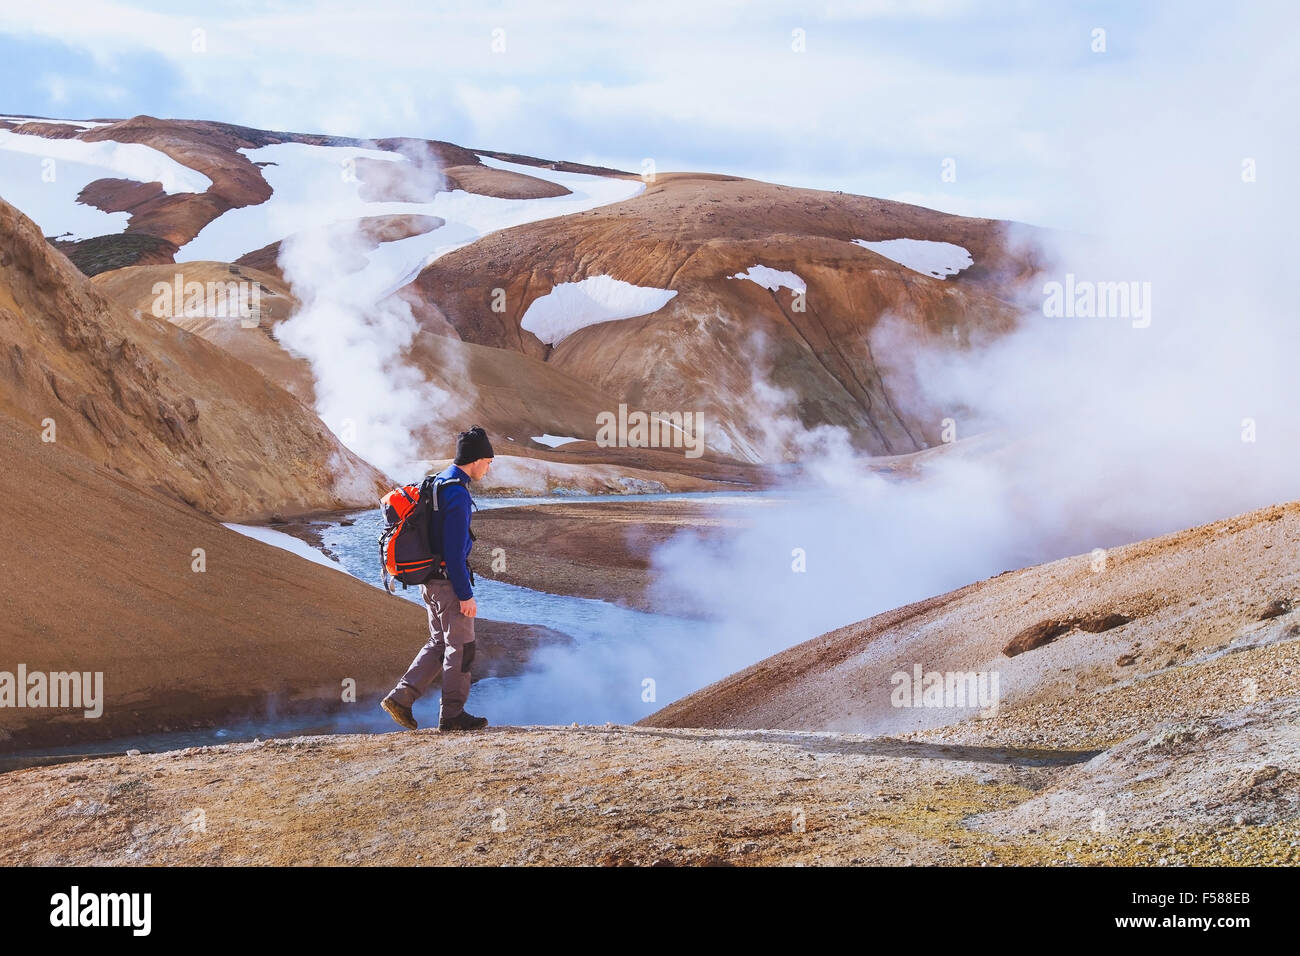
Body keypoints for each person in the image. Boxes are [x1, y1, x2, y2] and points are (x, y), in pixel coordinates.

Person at [381, 426, 494, 732]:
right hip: (449, 584)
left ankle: (401, 698)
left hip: (430, 583)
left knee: (439, 643)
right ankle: (453, 715)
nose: (489, 467)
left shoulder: (437, 482)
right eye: (488, 461)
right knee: (462, 648)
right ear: (475, 459)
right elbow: (455, 553)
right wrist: (465, 595)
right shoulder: (457, 492)